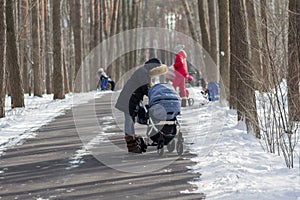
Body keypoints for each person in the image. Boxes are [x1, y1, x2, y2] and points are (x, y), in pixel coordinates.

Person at [115, 58, 168, 153]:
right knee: (129, 121)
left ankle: (133, 143)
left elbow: (147, 86)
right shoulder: (143, 72)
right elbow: (146, 87)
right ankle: (131, 145)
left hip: (131, 99)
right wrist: (155, 95)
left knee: (131, 121)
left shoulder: (143, 72)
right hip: (128, 100)